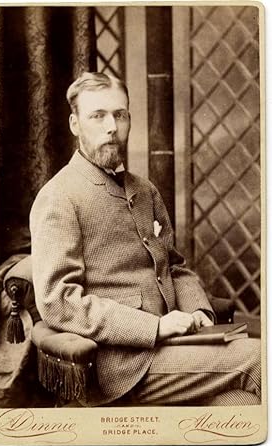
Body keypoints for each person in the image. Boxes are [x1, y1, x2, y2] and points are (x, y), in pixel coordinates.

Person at [30, 72, 260, 407]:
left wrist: (199, 311)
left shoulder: (143, 190)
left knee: (242, 405)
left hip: (176, 348)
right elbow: (58, 301)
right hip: (121, 365)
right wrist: (154, 326)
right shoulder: (60, 196)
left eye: (120, 114)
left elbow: (174, 267)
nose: (112, 126)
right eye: (98, 115)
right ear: (75, 124)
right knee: (259, 359)